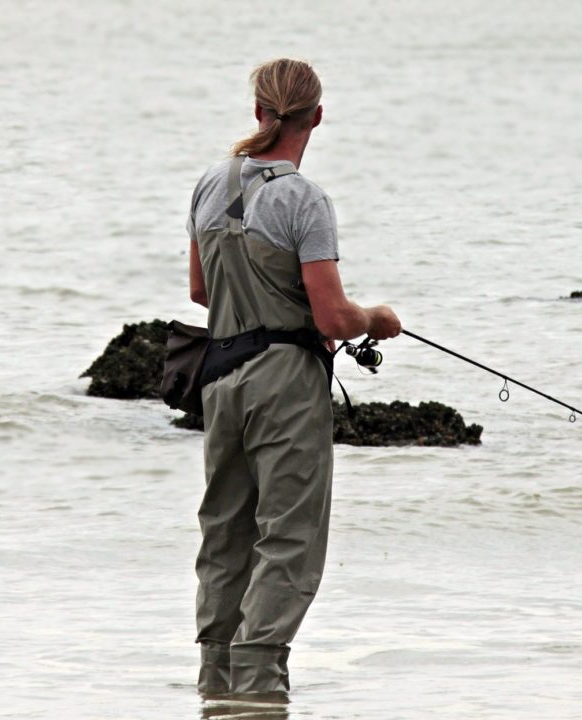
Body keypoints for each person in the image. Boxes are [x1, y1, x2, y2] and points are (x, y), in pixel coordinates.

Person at [186, 58, 401, 697]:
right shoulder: (303, 198)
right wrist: (378, 319)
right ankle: (258, 683)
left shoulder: (207, 183)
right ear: (317, 117)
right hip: (284, 382)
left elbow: (201, 291)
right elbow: (334, 314)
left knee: (225, 533)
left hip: (219, 378)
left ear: (258, 111)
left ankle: (215, 684)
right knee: (289, 537)